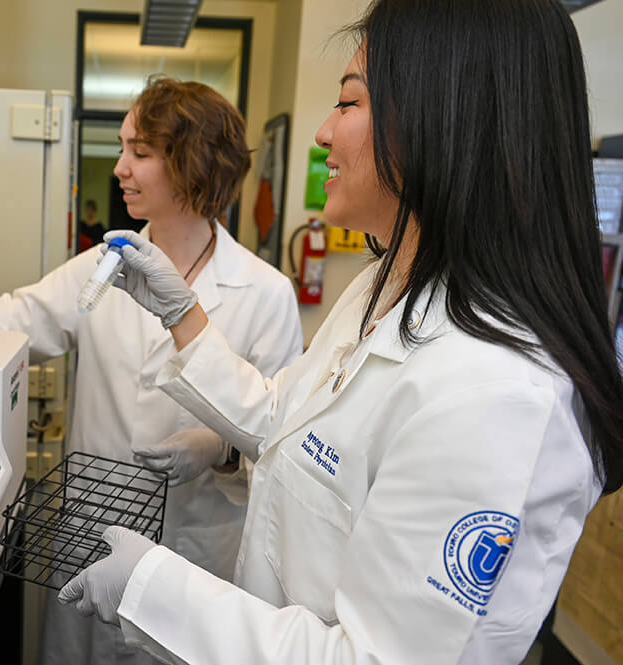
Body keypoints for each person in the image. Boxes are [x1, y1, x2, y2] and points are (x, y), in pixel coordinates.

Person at [57, 1, 623, 663]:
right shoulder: (382, 288)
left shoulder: (499, 392)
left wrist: (153, 590)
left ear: (441, 120)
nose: (323, 131)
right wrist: (185, 318)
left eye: (348, 104)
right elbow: (286, 415)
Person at [0, 76, 304, 665]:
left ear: (192, 166)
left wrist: (218, 449)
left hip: (197, 552)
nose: (121, 167)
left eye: (141, 153)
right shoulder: (98, 268)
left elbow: (286, 447)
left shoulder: (265, 292)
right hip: (92, 539)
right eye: (125, 149)